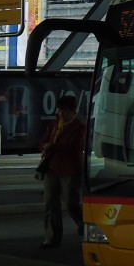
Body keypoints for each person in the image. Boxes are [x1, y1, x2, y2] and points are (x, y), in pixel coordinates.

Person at [39, 94, 84, 248]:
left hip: (70, 169)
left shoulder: (80, 127)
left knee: (71, 203)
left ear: (73, 111)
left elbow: (75, 147)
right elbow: (44, 140)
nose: (61, 114)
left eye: (64, 111)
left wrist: (53, 147)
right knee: (51, 204)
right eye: (59, 111)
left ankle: (84, 223)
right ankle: (51, 239)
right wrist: (45, 146)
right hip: (52, 168)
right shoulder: (55, 124)